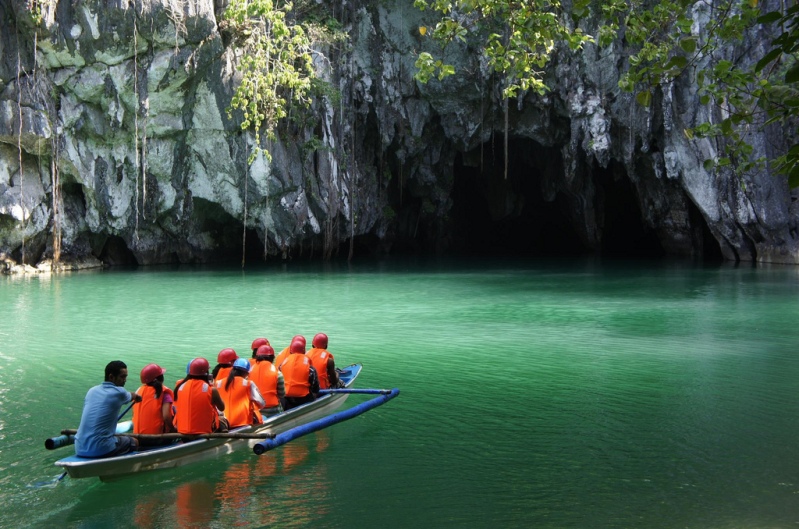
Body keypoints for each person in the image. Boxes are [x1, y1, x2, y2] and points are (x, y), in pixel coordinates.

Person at [75, 360, 142, 458]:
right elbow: (131, 395)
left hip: (79, 447)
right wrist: (137, 397)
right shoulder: (119, 392)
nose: (125, 380)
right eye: (122, 377)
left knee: (115, 437)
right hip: (101, 448)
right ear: (111, 377)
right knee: (134, 441)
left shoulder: (92, 391)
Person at [174, 358, 228, 434]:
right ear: (206, 373)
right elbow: (222, 407)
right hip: (203, 432)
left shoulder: (180, 387)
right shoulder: (211, 390)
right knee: (222, 418)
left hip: (181, 431)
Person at [133, 363, 176, 446]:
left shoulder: (139, 391)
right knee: (175, 411)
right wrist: (173, 429)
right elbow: (166, 416)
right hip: (156, 438)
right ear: (160, 378)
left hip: (137, 437)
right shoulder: (164, 393)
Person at [216, 358, 265, 428]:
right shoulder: (248, 384)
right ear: (246, 373)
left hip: (223, 425)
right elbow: (262, 403)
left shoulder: (219, 383)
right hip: (242, 424)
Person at [279, 340, 319, 410]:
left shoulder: (282, 365)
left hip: (286, 398)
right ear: (304, 352)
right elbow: (315, 387)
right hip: (303, 398)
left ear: (291, 352)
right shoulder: (310, 368)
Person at [249, 344, 285, 417]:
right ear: (272, 358)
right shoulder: (277, 373)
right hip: (272, 410)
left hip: (254, 410)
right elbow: (282, 394)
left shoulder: (249, 372)